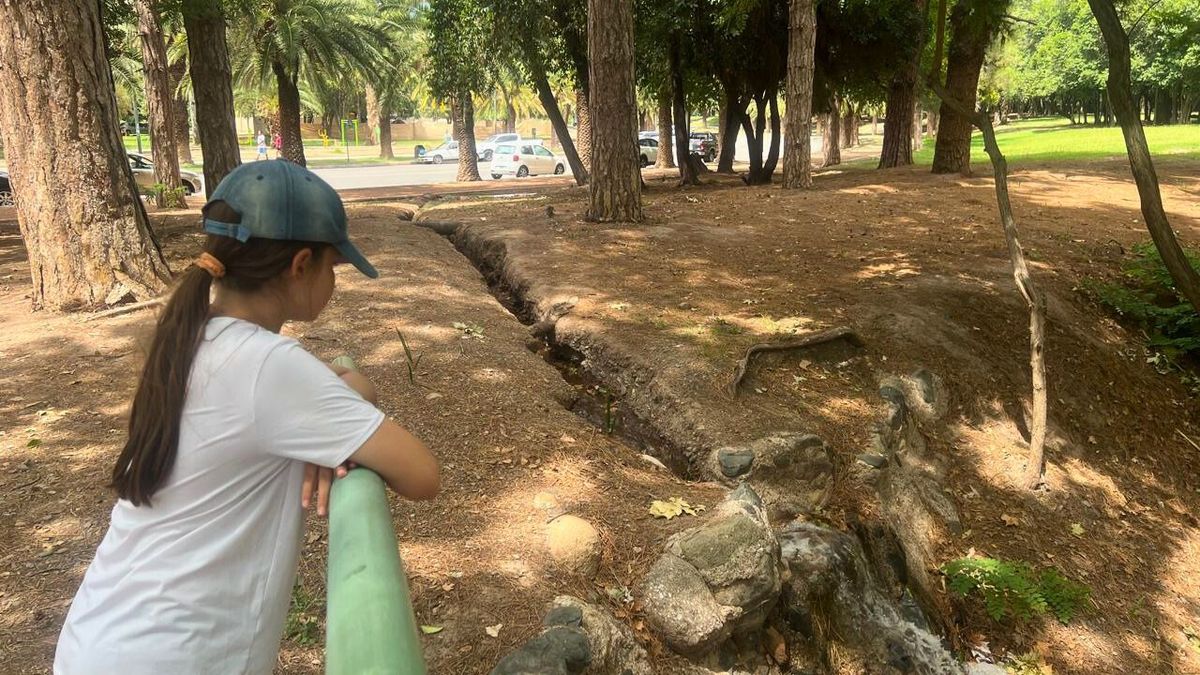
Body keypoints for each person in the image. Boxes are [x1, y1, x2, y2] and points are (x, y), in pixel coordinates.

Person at [54, 161, 440, 675]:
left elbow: (328, 394)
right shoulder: (271, 367)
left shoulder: (193, 338)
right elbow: (422, 474)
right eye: (332, 267)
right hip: (175, 657)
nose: (332, 282)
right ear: (301, 264)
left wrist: (336, 427)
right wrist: (335, 435)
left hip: (102, 638)